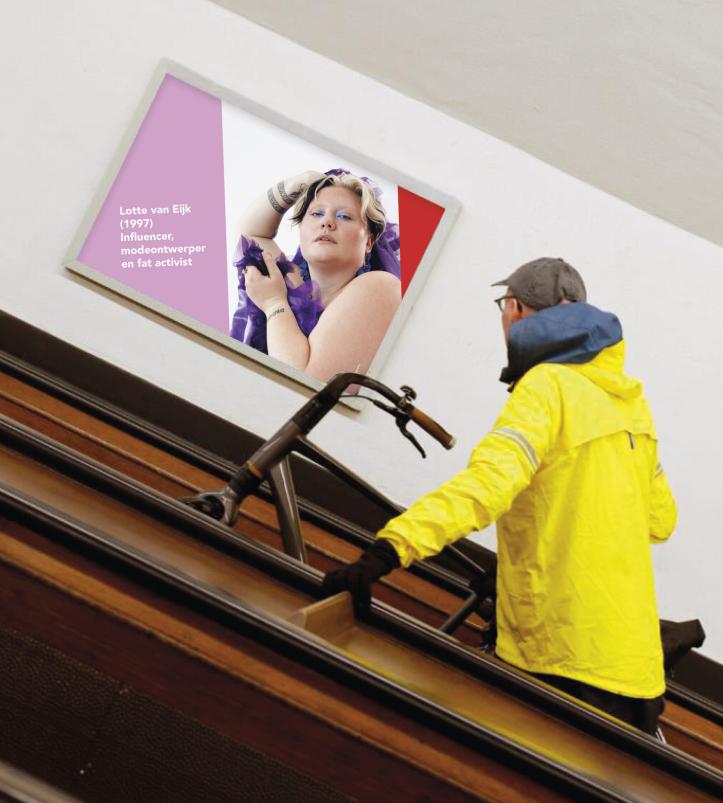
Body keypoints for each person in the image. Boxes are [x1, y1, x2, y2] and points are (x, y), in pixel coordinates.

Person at [320, 257, 677, 736]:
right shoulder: (630, 400)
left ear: (517, 310)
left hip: (561, 655)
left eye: (502, 307)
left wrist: (389, 550)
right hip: (637, 669)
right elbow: (660, 520)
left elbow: (485, 489)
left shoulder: (545, 387)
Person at [229, 169, 401, 381]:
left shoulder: (379, 287)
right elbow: (248, 233)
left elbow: (301, 386)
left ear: (368, 242)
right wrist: (298, 183)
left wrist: (274, 303)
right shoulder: (294, 288)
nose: (327, 222)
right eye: (317, 213)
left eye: (344, 216)